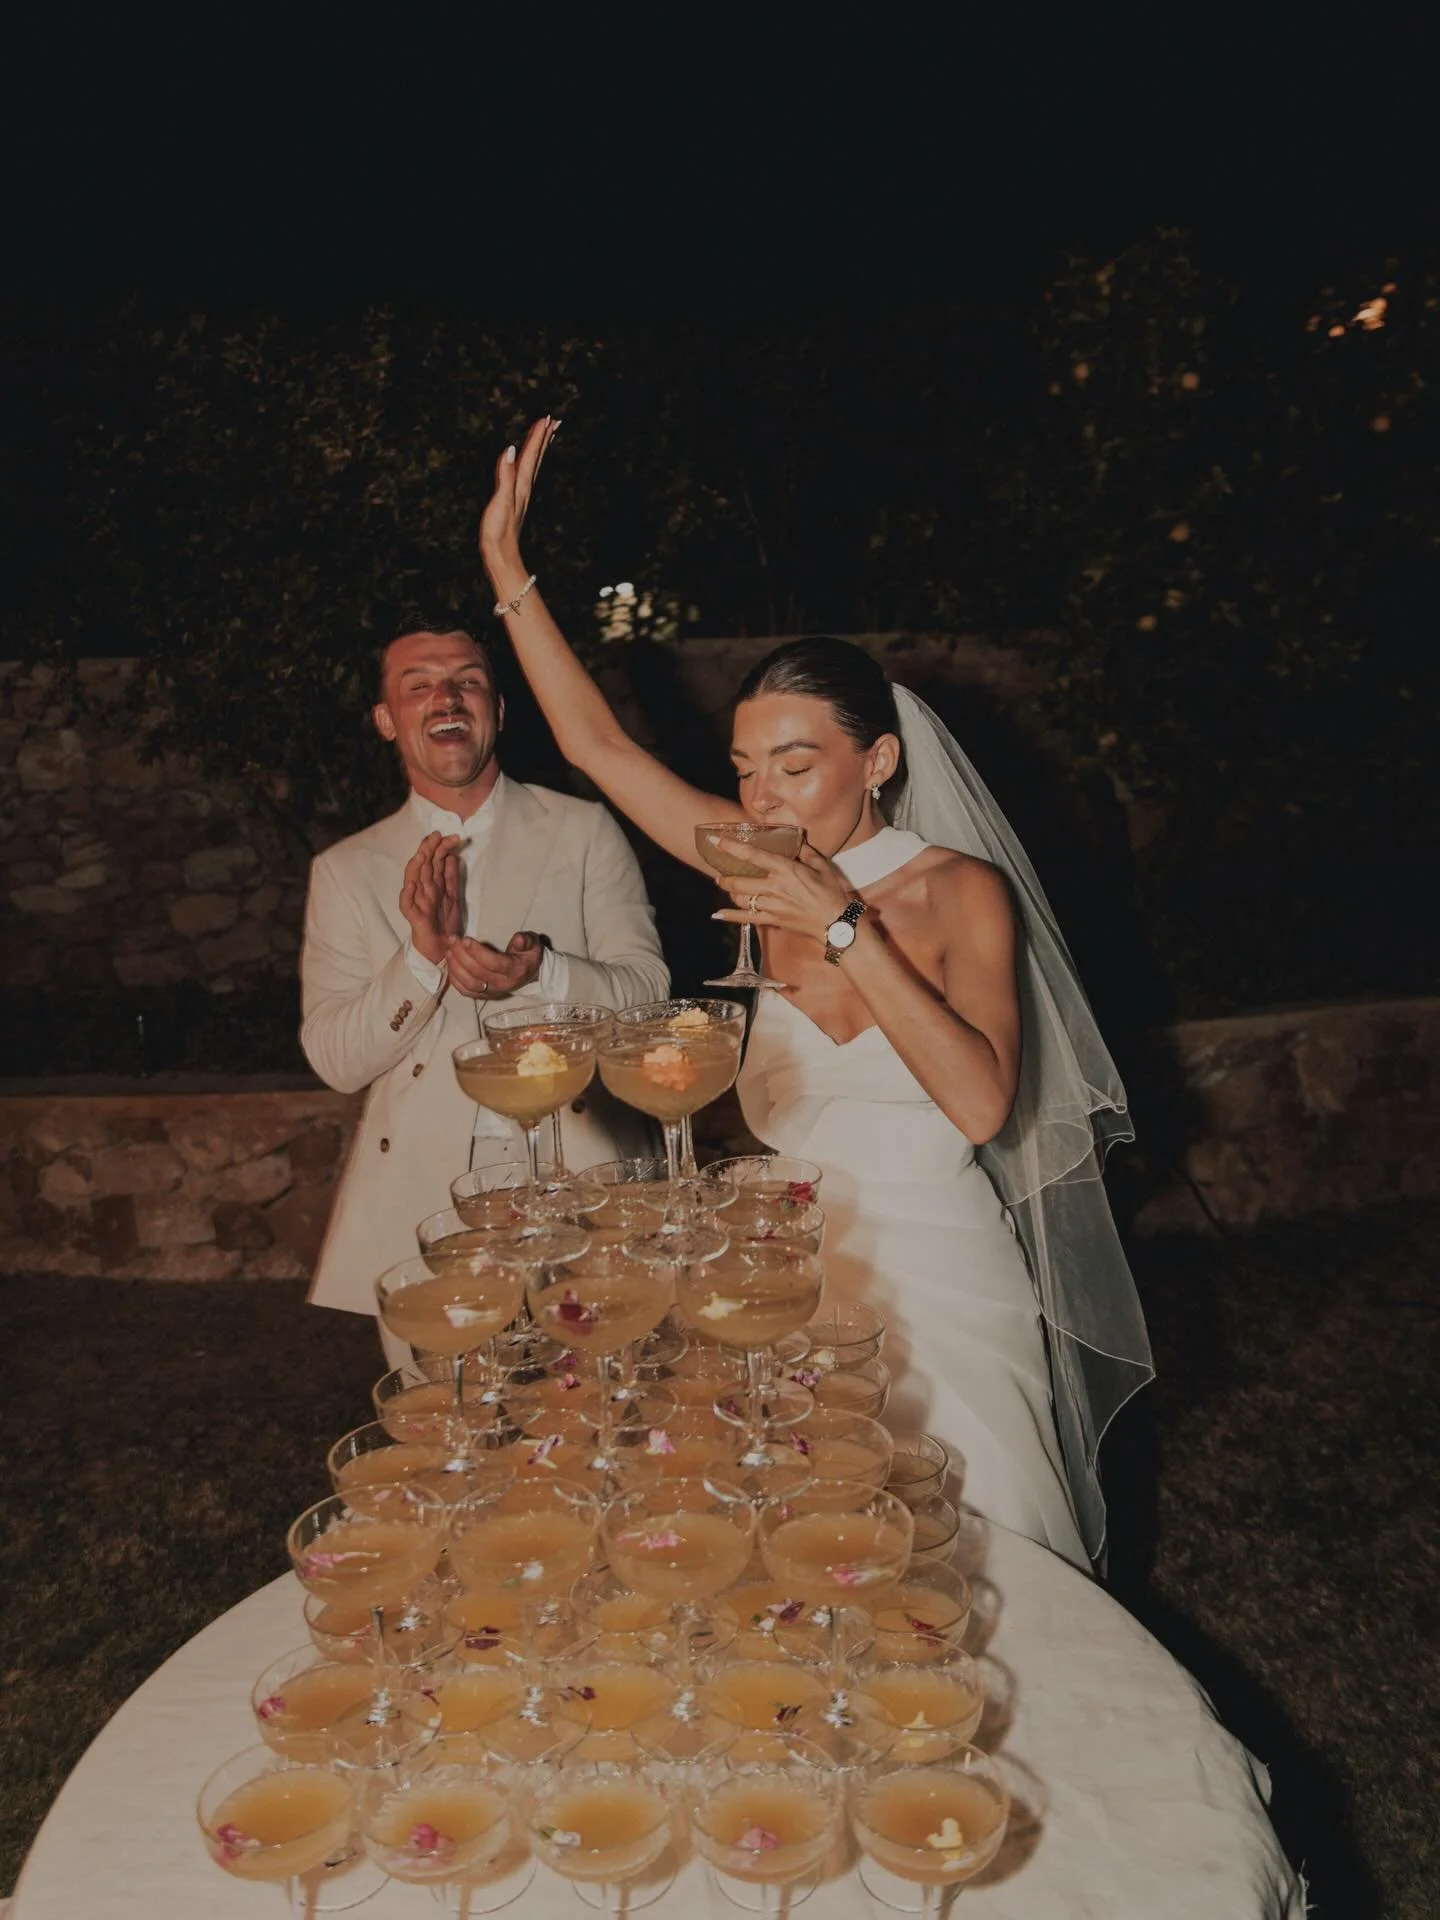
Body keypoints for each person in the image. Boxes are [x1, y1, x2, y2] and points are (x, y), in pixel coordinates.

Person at [477, 419, 1153, 1571]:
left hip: (941, 1275)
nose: (766, 799)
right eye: (747, 770)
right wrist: (506, 569)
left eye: (796, 767)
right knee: (798, 1586)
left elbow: (985, 1107)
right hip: (776, 1276)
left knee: (979, 1570)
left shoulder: (958, 892)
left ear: (877, 762)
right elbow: (595, 744)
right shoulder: (749, 857)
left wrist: (842, 927)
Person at [301, 612, 670, 1363]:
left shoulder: (584, 829)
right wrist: (420, 960)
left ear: (497, 711)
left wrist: (545, 971)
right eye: (419, 686)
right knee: (451, 1438)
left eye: (467, 681)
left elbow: (650, 999)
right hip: (428, 1207)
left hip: (588, 1183)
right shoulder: (346, 870)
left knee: (605, 1429)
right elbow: (335, 1060)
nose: (446, 698)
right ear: (386, 720)